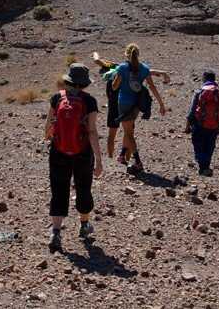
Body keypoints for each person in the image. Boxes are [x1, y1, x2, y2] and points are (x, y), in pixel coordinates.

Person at [44, 63, 104, 253]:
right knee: (83, 186)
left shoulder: (57, 97)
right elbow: (91, 130)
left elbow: (47, 127)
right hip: (82, 153)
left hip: (58, 151)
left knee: (59, 188)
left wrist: (51, 137)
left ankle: (56, 232)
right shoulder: (89, 101)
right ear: (84, 83)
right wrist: (99, 160)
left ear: (69, 79)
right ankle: (84, 226)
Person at [92, 44, 169, 175]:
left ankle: (138, 162)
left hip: (124, 103)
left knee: (128, 133)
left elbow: (115, 87)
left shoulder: (121, 67)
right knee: (129, 130)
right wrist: (161, 104)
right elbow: (152, 87)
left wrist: (116, 78)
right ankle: (122, 156)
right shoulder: (143, 68)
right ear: (138, 54)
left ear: (126, 54)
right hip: (136, 105)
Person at [186, 70, 219, 176]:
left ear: (204, 78)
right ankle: (206, 166)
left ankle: (203, 167)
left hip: (199, 124)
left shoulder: (199, 92)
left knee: (198, 145)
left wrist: (187, 127)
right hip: (214, 126)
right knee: (209, 146)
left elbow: (191, 111)